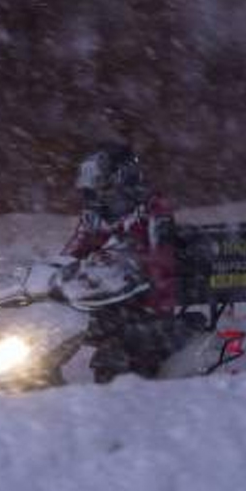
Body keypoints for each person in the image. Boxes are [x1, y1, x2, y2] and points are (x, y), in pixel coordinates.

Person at [50, 143, 191, 383]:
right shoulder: (97, 213)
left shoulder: (152, 208)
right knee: (59, 333)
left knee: (118, 359)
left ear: (119, 178)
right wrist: (53, 277)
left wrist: (149, 297)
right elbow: (76, 248)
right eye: (91, 184)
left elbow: (161, 260)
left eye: (98, 183)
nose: (93, 192)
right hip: (109, 299)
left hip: (146, 305)